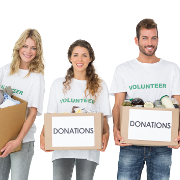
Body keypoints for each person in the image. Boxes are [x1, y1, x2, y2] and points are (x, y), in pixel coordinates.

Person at [110, 18, 180, 180]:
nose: (150, 42)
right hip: (130, 142)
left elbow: (178, 103)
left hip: (163, 143)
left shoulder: (172, 69)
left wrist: (178, 131)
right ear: (137, 40)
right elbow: (118, 104)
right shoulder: (123, 69)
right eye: (145, 38)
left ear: (158, 40)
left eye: (153, 38)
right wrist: (115, 129)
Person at [40, 39, 111, 180]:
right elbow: (51, 116)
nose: (80, 59)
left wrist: (106, 134)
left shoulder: (100, 85)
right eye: (76, 55)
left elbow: (103, 118)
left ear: (90, 58)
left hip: (89, 150)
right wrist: (43, 135)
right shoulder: (58, 84)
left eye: (84, 55)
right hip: (62, 149)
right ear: (70, 58)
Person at [0, 29, 45, 180]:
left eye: (33, 48)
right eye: (25, 46)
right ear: (19, 47)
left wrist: (17, 141)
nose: (28, 51)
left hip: (23, 140)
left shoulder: (36, 77)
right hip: (2, 137)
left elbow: (32, 114)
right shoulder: (5, 71)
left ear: (38, 52)